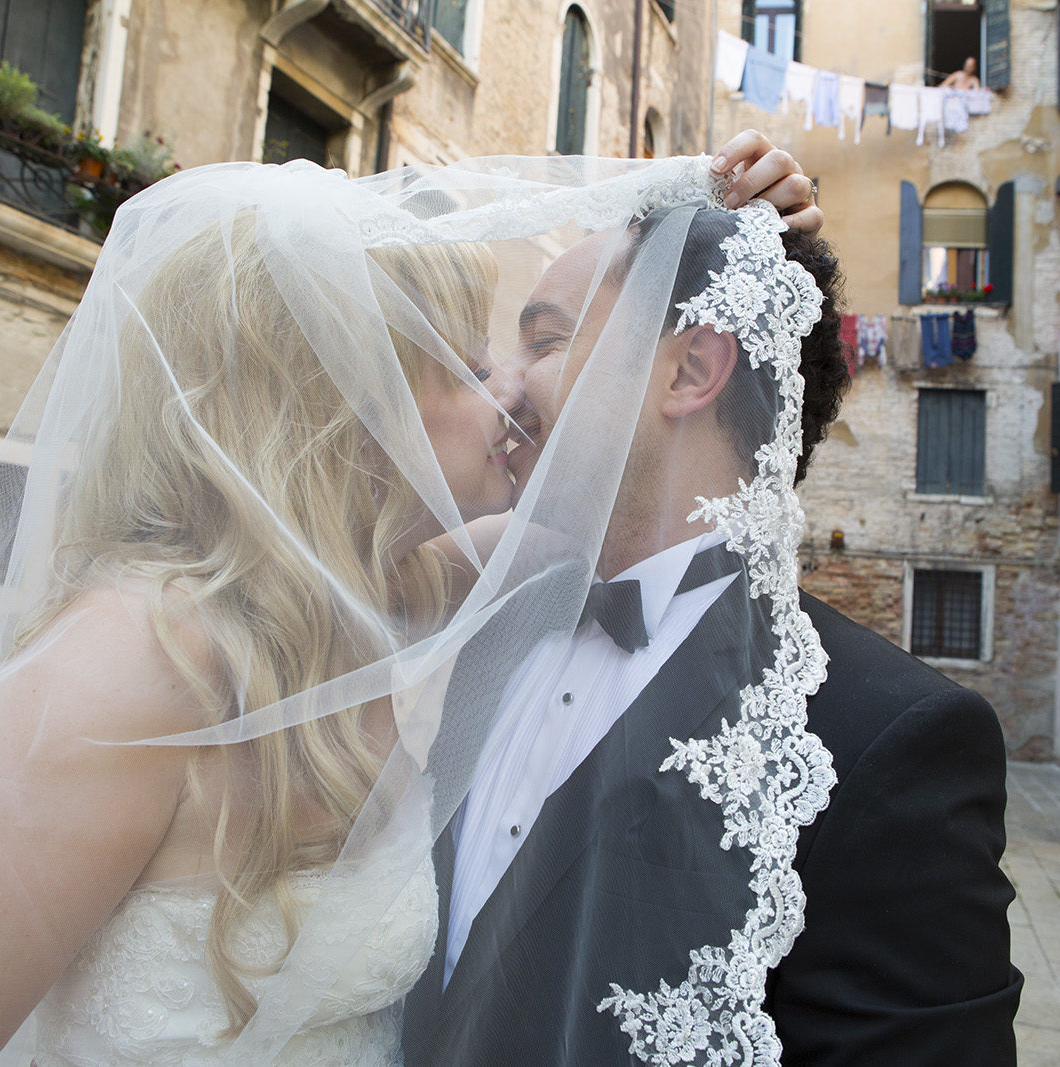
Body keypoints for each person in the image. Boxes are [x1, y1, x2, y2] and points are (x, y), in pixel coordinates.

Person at [0, 136, 824, 1067]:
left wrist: (745, 241)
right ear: (342, 397)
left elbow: (644, 504)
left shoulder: (405, 591)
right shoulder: (119, 666)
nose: (509, 393)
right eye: (469, 365)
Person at [401, 190, 1021, 1063]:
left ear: (691, 370)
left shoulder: (889, 739)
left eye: (544, 340)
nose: (504, 385)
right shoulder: (486, 626)